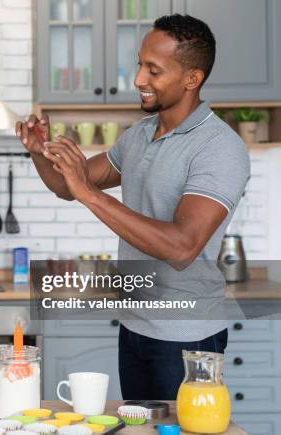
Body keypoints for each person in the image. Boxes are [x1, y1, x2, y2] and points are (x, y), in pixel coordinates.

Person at [17, 14, 249, 400]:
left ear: (192, 79)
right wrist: (41, 154)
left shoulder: (219, 148)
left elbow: (181, 247)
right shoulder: (140, 134)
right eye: (140, 64)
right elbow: (67, 186)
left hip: (186, 337)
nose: (139, 79)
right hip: (135, 327)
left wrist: (90, 194)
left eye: (153, 70)